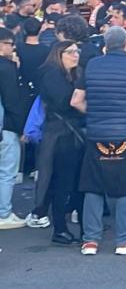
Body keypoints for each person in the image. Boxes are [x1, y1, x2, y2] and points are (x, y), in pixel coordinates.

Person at [70, 26, 126, 255]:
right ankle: (125, 239)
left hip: (97, 134)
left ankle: (90, 240)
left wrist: (95, 112)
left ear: (105, 46)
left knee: (93, 186)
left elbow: (76, 101)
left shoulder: (91, 65)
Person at [34, 41, 86, 244]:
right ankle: (60, 227)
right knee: (62, 182)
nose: (76, 55)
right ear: (59, 54)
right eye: (71, 52)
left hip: (72, 131)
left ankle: (77, 226)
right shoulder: (51, 74)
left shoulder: (74, 73)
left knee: (75, 182)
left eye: (77, 51)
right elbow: (64, 101)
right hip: (61, 134)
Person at [0, 27, 24, 230]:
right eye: (9, 43)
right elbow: (12, 101)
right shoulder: (6, 68)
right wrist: (21, 127)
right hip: (6, 126)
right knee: (7, 171)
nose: (13, 47)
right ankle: (4, 212)